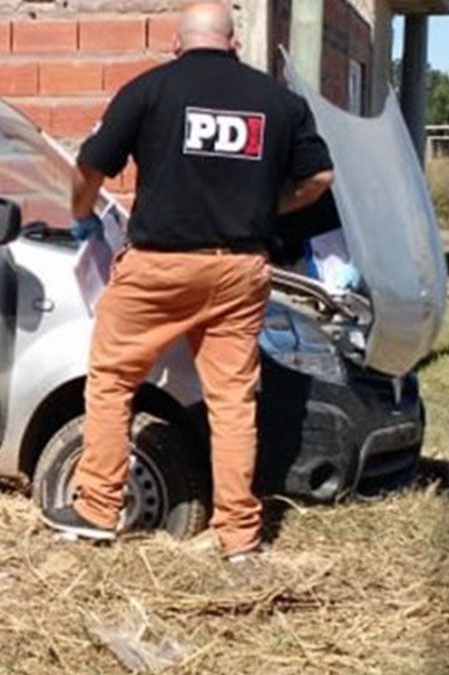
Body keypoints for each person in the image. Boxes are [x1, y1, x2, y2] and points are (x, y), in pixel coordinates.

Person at [43, 1, 335, 562]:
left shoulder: (150, 88)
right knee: (231, 400)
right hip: (239, 268)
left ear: (178, 45)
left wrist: (82, 215)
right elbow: (319, 176)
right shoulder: (278, 101)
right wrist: (271, 206)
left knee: (110, 379)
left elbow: (89, 165)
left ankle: (99, 508)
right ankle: (239, 535)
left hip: (159, 267)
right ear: (233, 43)